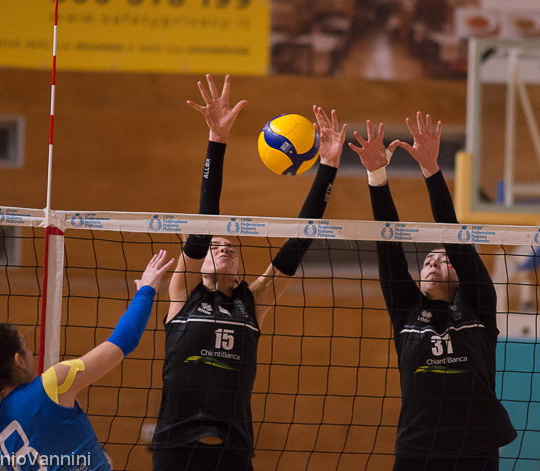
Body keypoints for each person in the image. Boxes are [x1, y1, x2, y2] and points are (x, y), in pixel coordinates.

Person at [151, 74, 346, 471]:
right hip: (175, 447)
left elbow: (299, 242)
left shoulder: (252, 301)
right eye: (215, 247)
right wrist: (217, 138)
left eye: (231, 248)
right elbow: (206, 218)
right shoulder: (183, 293)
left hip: (233, 449)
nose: (223, 248)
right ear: (201, 260)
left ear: (240, 272)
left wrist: (327, 166)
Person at [349, 112, 517, 470]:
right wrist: (376, 175)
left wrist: (431, 169)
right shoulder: (406, 311)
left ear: (461, 274)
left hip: (475, 447)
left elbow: (453, 235)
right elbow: (389, 245)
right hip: (417, 450)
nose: (432, 264)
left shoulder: (478, 305)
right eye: (427, 261)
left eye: (443, 260)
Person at [0, 250, 175, 471]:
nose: (31, 354)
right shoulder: (51, 385)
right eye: (26, 349)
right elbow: (123, 341)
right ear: (18, 361)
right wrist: (146, 290)